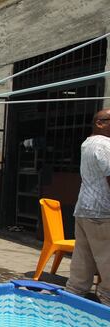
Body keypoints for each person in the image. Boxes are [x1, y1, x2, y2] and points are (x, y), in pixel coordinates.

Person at [66, 109, 110, 306]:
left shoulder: (88, 143)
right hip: (102, 210)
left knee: (83, 258)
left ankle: (73, 297)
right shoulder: (103, 145)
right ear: (100, 123)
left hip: (84, 208)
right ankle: (107, 298)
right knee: (106, 258)